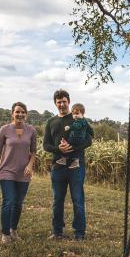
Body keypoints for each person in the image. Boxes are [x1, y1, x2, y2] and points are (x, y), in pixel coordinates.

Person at [43, 89, 93, 241]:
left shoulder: (77, 117)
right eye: (59, 102)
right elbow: (46, 145)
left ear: (68, 102)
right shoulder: (51, 122)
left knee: (78, 200)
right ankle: (57, 231)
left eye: (64, 101)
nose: (62, 104)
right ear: (55, 104)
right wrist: (59, 149)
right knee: (57, 200)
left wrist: (72, 148)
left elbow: (89, 140)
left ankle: (79, 233)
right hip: (58, 168)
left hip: (76, 167)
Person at [0, 101, 37, 244]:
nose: (20, 114)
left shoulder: (31, 131)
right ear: (12, 114)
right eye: (17, 112)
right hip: (6, 171)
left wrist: (30, 165)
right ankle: (5, 234)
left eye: (23, 112)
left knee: (18, 203)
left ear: (26, 115)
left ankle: (13, 230)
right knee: (9, 201)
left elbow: (33, 151)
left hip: (24, 173)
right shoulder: (4, 130)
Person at [54, 103, 93, 169]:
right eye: (73, 114)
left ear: (82, 114)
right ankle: (75, 161)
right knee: (75, 150)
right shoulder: (85, 121)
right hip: (79, 139)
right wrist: (92, 134)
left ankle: (64, 159)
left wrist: (69, 127)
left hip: (76, 138)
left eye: (77, 114)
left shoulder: (80, 121)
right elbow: (90, 129)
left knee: (67, 146)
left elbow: (77, 126)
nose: (75, 116)